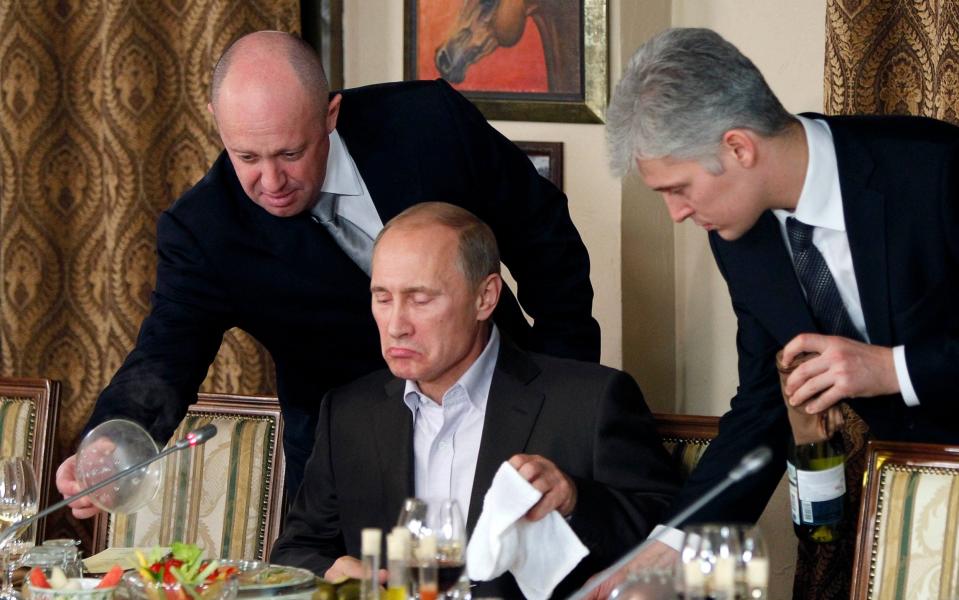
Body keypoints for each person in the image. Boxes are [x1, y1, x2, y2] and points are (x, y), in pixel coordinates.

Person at [55, 30, 601, 516]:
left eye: (291, 152)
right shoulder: (204, 230)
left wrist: (561, 395)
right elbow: (163, 360)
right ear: (215, 120)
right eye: (246, 156)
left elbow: (547, 241)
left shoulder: (428, 124)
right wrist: (111, 443)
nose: (271, 181)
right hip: (345, 466)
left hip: (503, 417)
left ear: (330, 115)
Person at [599, 26, 959, 594]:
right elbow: (763, 405)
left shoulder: (936, 170)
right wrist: (670, 545)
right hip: (909, 523)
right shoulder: (738, 236)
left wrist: (890, 369)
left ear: (738, 147)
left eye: (678, 188)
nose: (675, 214)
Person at [270, 202, 679, 599]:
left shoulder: (589, 401)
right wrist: (330, 571)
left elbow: (672, 532)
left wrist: (574, 499)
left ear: (485, 297)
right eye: (382, 297)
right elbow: (296, 550)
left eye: (420, 299)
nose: (396, 325)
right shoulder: (349, 413)